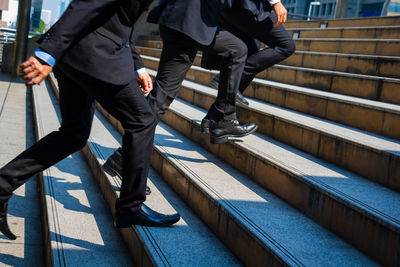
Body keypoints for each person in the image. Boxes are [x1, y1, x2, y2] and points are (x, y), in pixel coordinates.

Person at [0, 0, 180, 240]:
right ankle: (130, 208)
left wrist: (137, 65)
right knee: (142, 121)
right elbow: (88, 3)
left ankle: (2, 184)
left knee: (73, 134)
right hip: (95, 54)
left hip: (80, 52)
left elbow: (117, 20)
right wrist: (46, 54)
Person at [103, 0, 260, 181]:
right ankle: (223, 118)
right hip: (188, 24)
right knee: (237, 50)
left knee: (161, 94)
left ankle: (123, 158)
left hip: (178, 19)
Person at [205, 0, 296, 106]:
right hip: (246, 6)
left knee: (251, 54)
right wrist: (276, 2)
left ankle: (218, 118)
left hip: (230, 8)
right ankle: (225, 79)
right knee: (286, 45)